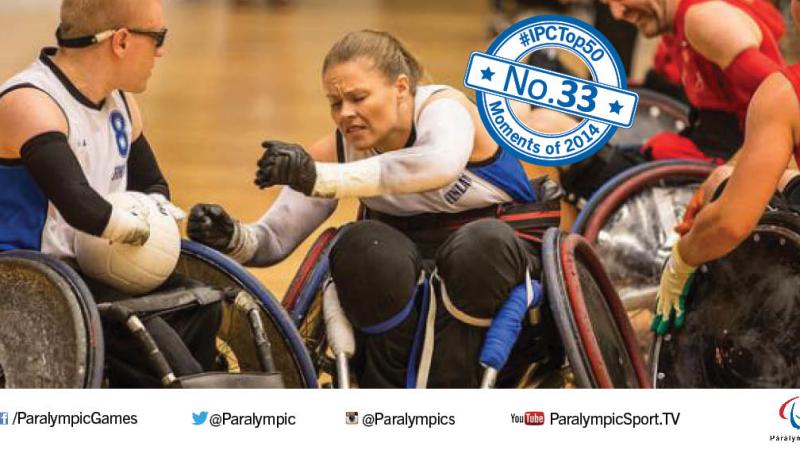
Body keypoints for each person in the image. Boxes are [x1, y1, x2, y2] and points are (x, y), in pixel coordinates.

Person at [188, 30, 563, 388]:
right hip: (403, 265)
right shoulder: (339, 148)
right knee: (359, 242)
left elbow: (436, 165)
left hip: (493, 259)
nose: (345, 113)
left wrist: (319, 177)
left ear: (401, 88)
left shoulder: (442, 107)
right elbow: (273, 239)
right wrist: (231, 236)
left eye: (358, 97)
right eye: (335, 103)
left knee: (481, 244)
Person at [0, 0, 219, 387]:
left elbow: (154, 186)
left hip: (90, 270)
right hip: (29, 281)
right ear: (120, 41)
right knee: (154, 340)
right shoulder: (29, 102)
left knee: (202, 301)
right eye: (158, 38)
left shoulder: (121, 103)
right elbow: (81, 208)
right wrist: (143, 229)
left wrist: (155, 215)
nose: (162, 51)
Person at [653, 0, 800, 335]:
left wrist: (681, 260)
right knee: (726, 177)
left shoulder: (783, 91)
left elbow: (729, 226)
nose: (616, 13)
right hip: (729, 147)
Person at [560, 0, 786, 204]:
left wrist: (728, 175)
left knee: (558, 145)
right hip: (685, 153)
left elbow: (788, 103)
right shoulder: (676, 24)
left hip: (703, 173)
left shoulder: (704, 20)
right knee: (553, 133)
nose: (617, 14)